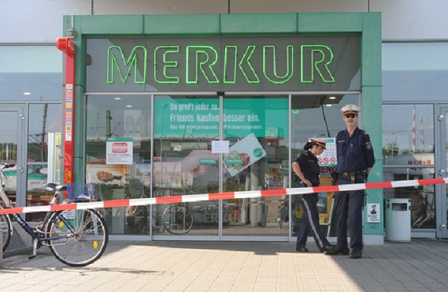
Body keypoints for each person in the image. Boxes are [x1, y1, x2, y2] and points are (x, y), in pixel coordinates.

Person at [325, 104, 375, 259]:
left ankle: (356, 247)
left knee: (354, 215)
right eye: (348, 116)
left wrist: (361, 178)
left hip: (356, 181)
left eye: (353, 116)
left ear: (357, 118)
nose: (350, 118)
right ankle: (341, 246)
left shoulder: (363, 136)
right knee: (340, 214)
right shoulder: (339, 136)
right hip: (341, 181)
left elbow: (370, 162)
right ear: (343, 118)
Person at [292, 138, 334, 253]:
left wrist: (318, 180)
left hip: (313, 192)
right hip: (305, 192)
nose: (322, 151)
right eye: (321, 148)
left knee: (307, 219)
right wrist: (303, 179)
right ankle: (322, 245)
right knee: (313, 217)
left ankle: (300, 245)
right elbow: (295, 165)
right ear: (315, 146)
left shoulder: (314, 160)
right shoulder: (305, 157)